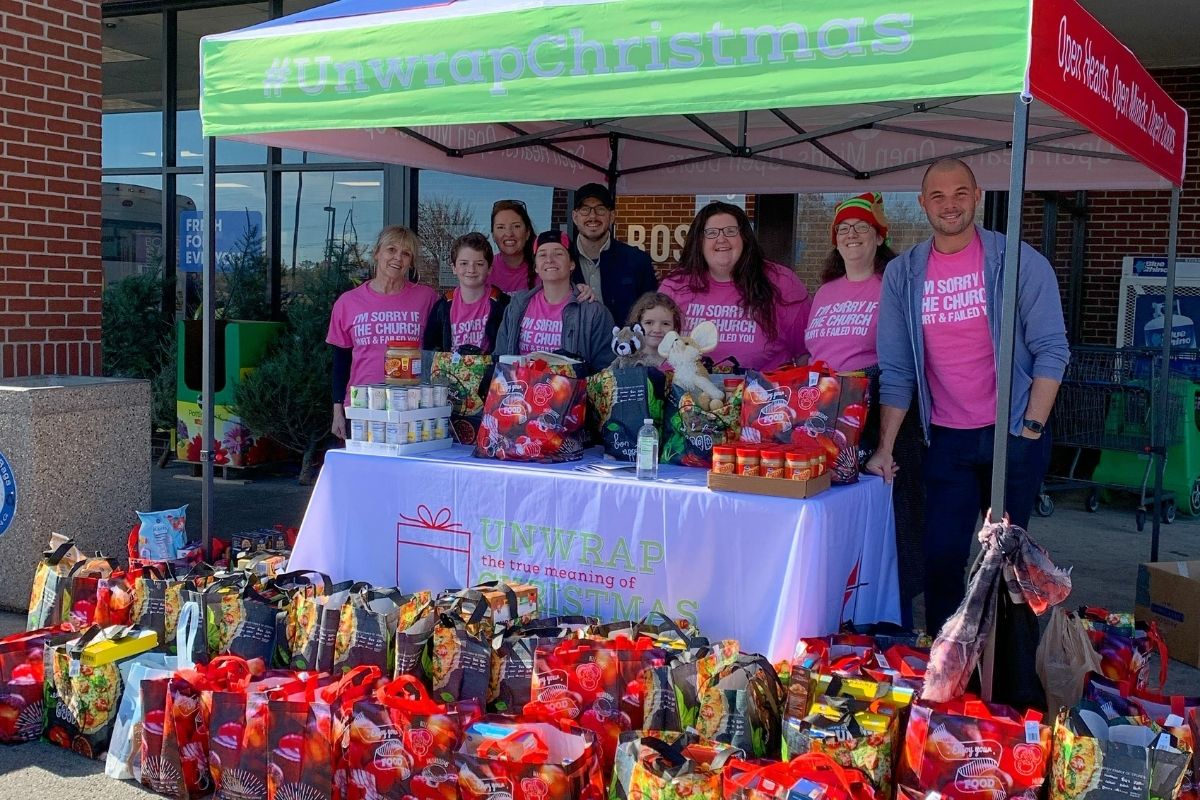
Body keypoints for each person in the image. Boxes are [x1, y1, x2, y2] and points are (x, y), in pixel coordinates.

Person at [867, 158, 1069, 635]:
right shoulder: (903, 274)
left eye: (961, 193)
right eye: (938, 196)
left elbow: (1052, 349)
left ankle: (1007, 670)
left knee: (1010, 565)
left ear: (978, 196)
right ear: (923, 204)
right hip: (946, 440)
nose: (950, 204)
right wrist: (885, 447)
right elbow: (897, 370)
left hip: (1012, 433)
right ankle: (948, 660)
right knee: (941, 558)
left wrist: (1030, 429)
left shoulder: (1017, 261)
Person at [805, 192, 924, 629]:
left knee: (890, 526)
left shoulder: (891, 285)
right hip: (825, 413)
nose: (851, 234)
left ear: (879, 236)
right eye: (843, 228)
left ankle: (893, 626)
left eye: (862, 227)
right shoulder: (825, 292)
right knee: (839, 520)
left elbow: (902, 361)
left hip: (878, 414)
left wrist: (885, 443)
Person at [660, 201, 811, 371]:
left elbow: (806, 353)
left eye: (730, 231)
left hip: (762, 387)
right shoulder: (675, 285)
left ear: (744, 237)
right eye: (711, 233)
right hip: (684, 386)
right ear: (699, 241)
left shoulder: (782, 282)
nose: (721, 239)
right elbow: (654, 346)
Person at [327, 225, 439, 438]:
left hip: (411, 408)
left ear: (411, 262)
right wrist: (337, 411)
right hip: (362, 407)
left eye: (406, 253)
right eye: (391, 250)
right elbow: (341, 362)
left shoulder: (427, 298)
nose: (398, 258)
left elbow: (436, 353)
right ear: (377, 253)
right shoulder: (348, 302)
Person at [494, 229, 617, 374]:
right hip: (520, 387)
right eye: (542, 254)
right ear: (536, 267)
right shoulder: (517, 306)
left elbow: (606, 371)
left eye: (558, 254)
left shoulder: (593, 313)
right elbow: (500, 359)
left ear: (572, 264)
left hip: (571, 388)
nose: (549, 260)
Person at [569, 182, 658, 326]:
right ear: (575, 217)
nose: (593, 216)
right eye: (585, 210)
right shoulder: (561, 261)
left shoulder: (638, 261)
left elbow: (652, 314)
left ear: (611, 216)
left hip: (625, 340)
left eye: (600, 209)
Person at [423, 232, 510, 353]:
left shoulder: (504, 305)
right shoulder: (442, 307)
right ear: (454, 268)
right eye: (464, 263)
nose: (471, 269)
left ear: (489, 268)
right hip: (451, 365)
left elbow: (509, 349)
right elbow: (430, 349)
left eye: (479, 264)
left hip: (490, 365)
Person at [489, 199, 537, 293]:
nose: (509, 233)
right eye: (501, 227)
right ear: (493, 235)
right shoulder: (484, 269)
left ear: (527, 232)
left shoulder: (543, 268)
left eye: (516, 226)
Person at [626, 291, 682, 367]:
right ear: (636, 326)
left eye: (665, 324)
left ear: (675, 327)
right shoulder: (626, 361)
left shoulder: (680, 362)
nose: (657, 330)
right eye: (649, 322)